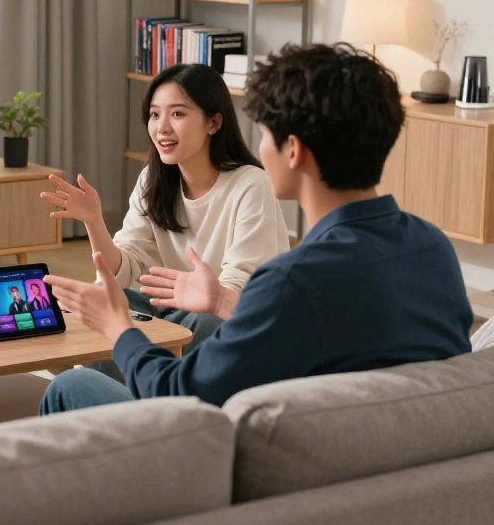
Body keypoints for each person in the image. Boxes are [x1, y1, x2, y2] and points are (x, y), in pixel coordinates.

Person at [39, 44, 474, 415]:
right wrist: (223, 302)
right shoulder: (432, 247)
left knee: (67, 390)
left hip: (241, 471)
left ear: (293, 150)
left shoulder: (293, 281)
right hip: (381, 468)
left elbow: (178, 391)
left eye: (265, 133)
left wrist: (119, 328)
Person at [40, 63, 288, 354]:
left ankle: (145, 377)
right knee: (107, 300)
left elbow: (237, 290)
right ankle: (132, 382)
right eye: (155, 115)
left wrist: (185, 307)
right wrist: (93, 220)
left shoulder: (251, 185)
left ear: (214, 123)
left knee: (203, 320)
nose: (162, 128)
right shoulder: (153, 179)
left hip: (227, 317)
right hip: (173, 309)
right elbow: (123, 268)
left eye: (178, 114)